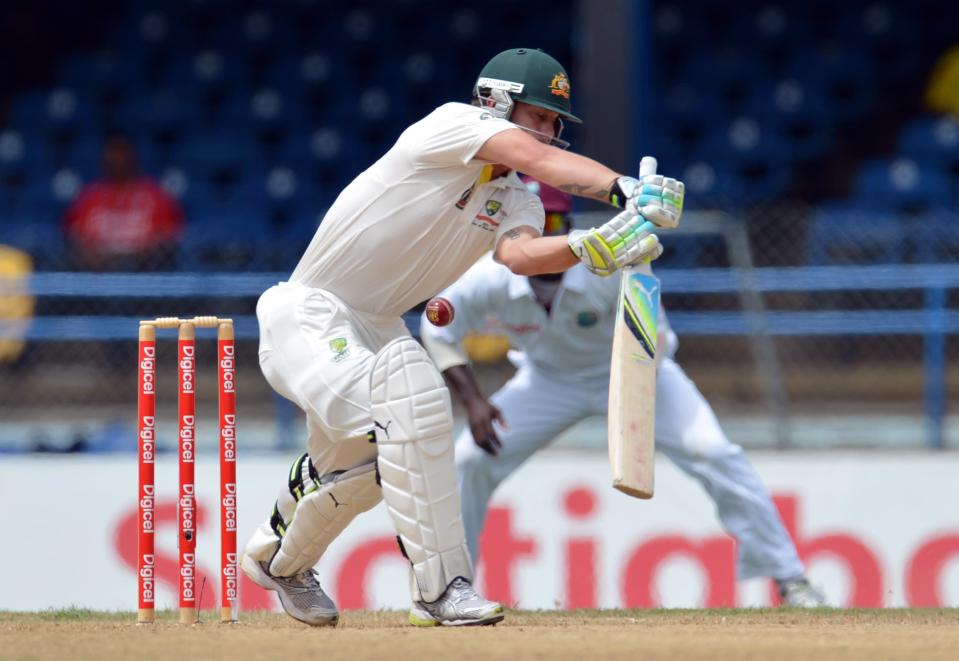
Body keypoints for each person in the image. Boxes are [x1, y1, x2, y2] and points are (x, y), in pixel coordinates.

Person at [240, 47, 685, 628]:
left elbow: (521, 256)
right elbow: (532, 156)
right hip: (310, 312)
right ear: (497, 102)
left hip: (377, 326)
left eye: (555, 122)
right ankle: (440, 590)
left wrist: (593, 246)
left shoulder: (516, 196)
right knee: (413, 403)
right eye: (541, 115)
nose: (549, 132)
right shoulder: (450, 125)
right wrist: (624, 188)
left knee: (375, 468)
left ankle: (278, 560)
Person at [419, 178, 828, 608]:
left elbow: (653, 342)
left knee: (712, 451)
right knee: (468, 459)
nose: (541, 237)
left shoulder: (607, 267)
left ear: (569, 223)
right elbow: (438, 326)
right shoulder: (491, 278)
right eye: (528, 229)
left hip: (640, 372)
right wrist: (473, 400)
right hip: (549, 380)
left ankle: (791, 579)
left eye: (551, 223)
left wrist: (631, 398)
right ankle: (454, 585)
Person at [62, 133, 182, 271]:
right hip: (98, 276)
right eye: (112, 153)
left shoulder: (156, 196)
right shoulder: (88, 197)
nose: (117, 159)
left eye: (122, 152)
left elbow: (168, 239)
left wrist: (134, 257)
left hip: (146, 276)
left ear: (133, 157)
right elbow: (75, 238)